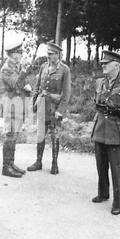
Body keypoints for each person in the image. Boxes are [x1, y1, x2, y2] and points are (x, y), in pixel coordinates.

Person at [91, 50, 120, 215]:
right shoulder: (100, 82)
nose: (103, 65)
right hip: (101, 129)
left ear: (116, 65)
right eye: (102, 63)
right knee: (101, 165)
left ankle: (117, 202)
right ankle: (103, 193)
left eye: (106, 63)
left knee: (118, 170)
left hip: (118, 133)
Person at [27, 42, 71, 174]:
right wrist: (34, 103)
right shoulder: (43, 67)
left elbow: (66, 93)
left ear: (58, 55)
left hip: (54, 108)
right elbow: (37, 87)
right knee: (40, 134)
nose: (48, 56)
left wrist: (60, 111)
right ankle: (38, 161)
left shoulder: (64, 70)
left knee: (54, 135)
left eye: (51, 54)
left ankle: (54, 163)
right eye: (48, 54)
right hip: (42, 105)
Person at [0, 39, 32, 178]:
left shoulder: (16, 66)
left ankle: (11, 163)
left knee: (15, 136)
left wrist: (27, 86)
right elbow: (15, 84)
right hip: (11, 106)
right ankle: (6, 167)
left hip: (18, 105)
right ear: (12, 54)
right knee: (10, 136)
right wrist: (24, 72)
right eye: (19, 52)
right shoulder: (6, 68)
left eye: (20, 52)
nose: (21, 54)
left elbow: (22, 83)